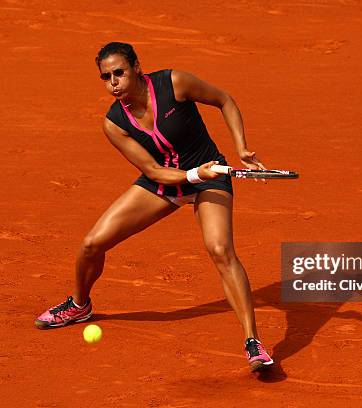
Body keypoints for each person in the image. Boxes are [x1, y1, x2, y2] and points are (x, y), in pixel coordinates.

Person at [34, 42, 273, 372]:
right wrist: (191, 174)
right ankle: (79, 304)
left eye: (119, 72)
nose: (114, 82)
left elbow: (224, 100)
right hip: (165, 181)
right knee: (92, 244)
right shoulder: (114, 124)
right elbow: (153, 171)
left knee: (220, 249)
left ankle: (252, 342)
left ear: (136, 68)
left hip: (210, 176)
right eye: (106, 77)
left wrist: (241, 147)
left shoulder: (174, 83)